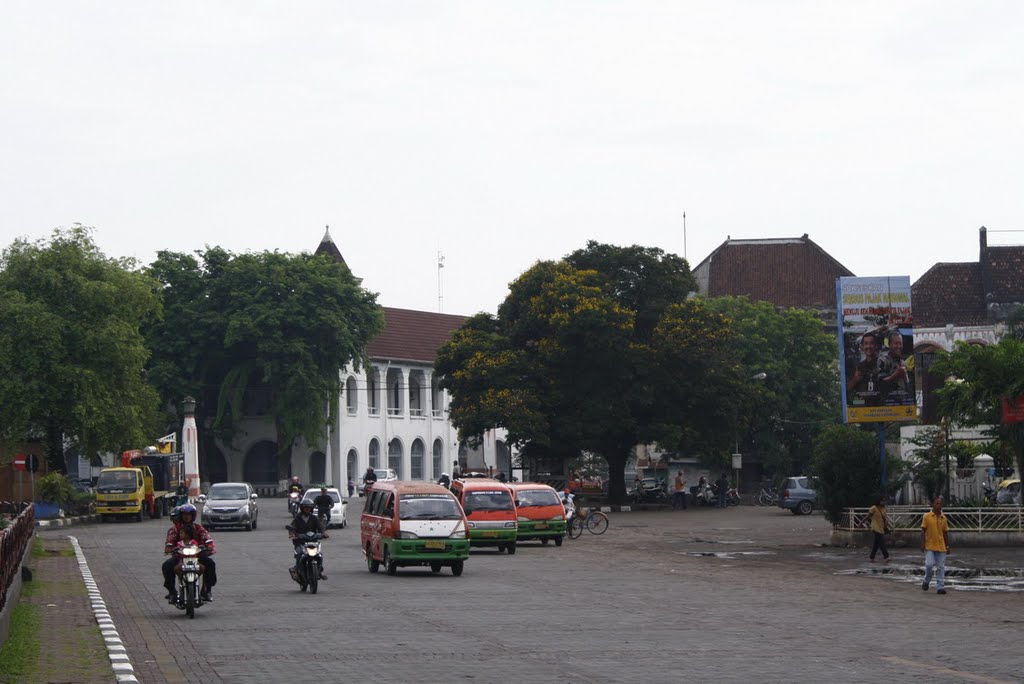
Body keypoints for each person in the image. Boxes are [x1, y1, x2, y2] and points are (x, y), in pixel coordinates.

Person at [162, 503, 216, 602]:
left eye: (189, 514)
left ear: (193, 515)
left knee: (210, 564)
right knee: (167, 565)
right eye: (184, 514)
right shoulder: (175, 529)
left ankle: (206, 590)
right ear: (181, 515)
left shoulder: (199, 528)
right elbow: (170, 541)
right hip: (180, 556)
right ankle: (172, 592)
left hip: (197, 555)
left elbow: (207, 538)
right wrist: (169, 548)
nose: (186, 516)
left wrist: (209, 546)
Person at [288, 501, 327, 581]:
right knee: (300, 554)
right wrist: (292, 534)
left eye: (309, 508)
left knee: (319, 555)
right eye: (305, 508)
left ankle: (320, 571)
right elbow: (292, 527)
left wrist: (323, 533)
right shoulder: (298, 518)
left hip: (313, 541)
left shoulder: (314, 518)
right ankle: (295, 570)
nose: (307, 509)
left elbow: (320, 527)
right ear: (302, 508)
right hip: (300, 542)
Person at [921, 496, 950, 594]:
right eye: (936, 503)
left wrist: (947, 546)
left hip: (941, 546)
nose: (938, 505)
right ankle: (926, 581)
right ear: (932, 505)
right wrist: (922, 543)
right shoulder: (927, 516)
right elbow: (923, 531)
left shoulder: (944, 518)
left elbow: (945, 533)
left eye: (940, 503)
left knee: (940, 567)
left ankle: (940, 586)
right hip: (930, 545)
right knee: (929, 565)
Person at [846, 331, 884, 405]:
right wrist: (855, 380)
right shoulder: (858, 366)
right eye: (866, 344)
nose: (868, 346)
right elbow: (847, 389)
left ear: (876, 346)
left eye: (871, 343)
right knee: (854, 403)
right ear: (862, 347)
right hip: (862, 408)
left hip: (880, 408)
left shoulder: (882, 364)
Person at [879, 329, 911, 404]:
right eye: (896, 343)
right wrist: (896, 375)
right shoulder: (883, 360)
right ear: (889, 344)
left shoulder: (902, 362)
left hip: (902, 404)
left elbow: (907, 384)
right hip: (888, 404)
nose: (898, 346)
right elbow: (880, 384)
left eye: (900, 343)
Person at [867, 495, 891, 562]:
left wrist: (886, 526)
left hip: (881, 528)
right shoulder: (874, 508)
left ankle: (872, 557)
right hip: (875, 528)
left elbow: (885, 519)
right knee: (881, 543)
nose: (883, 502)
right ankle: (886, 556)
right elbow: (868, 516)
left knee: (876, 544)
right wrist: (862, 523)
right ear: (879, 501)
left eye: (884, 501)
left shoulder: (884, 509)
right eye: (882, 500)